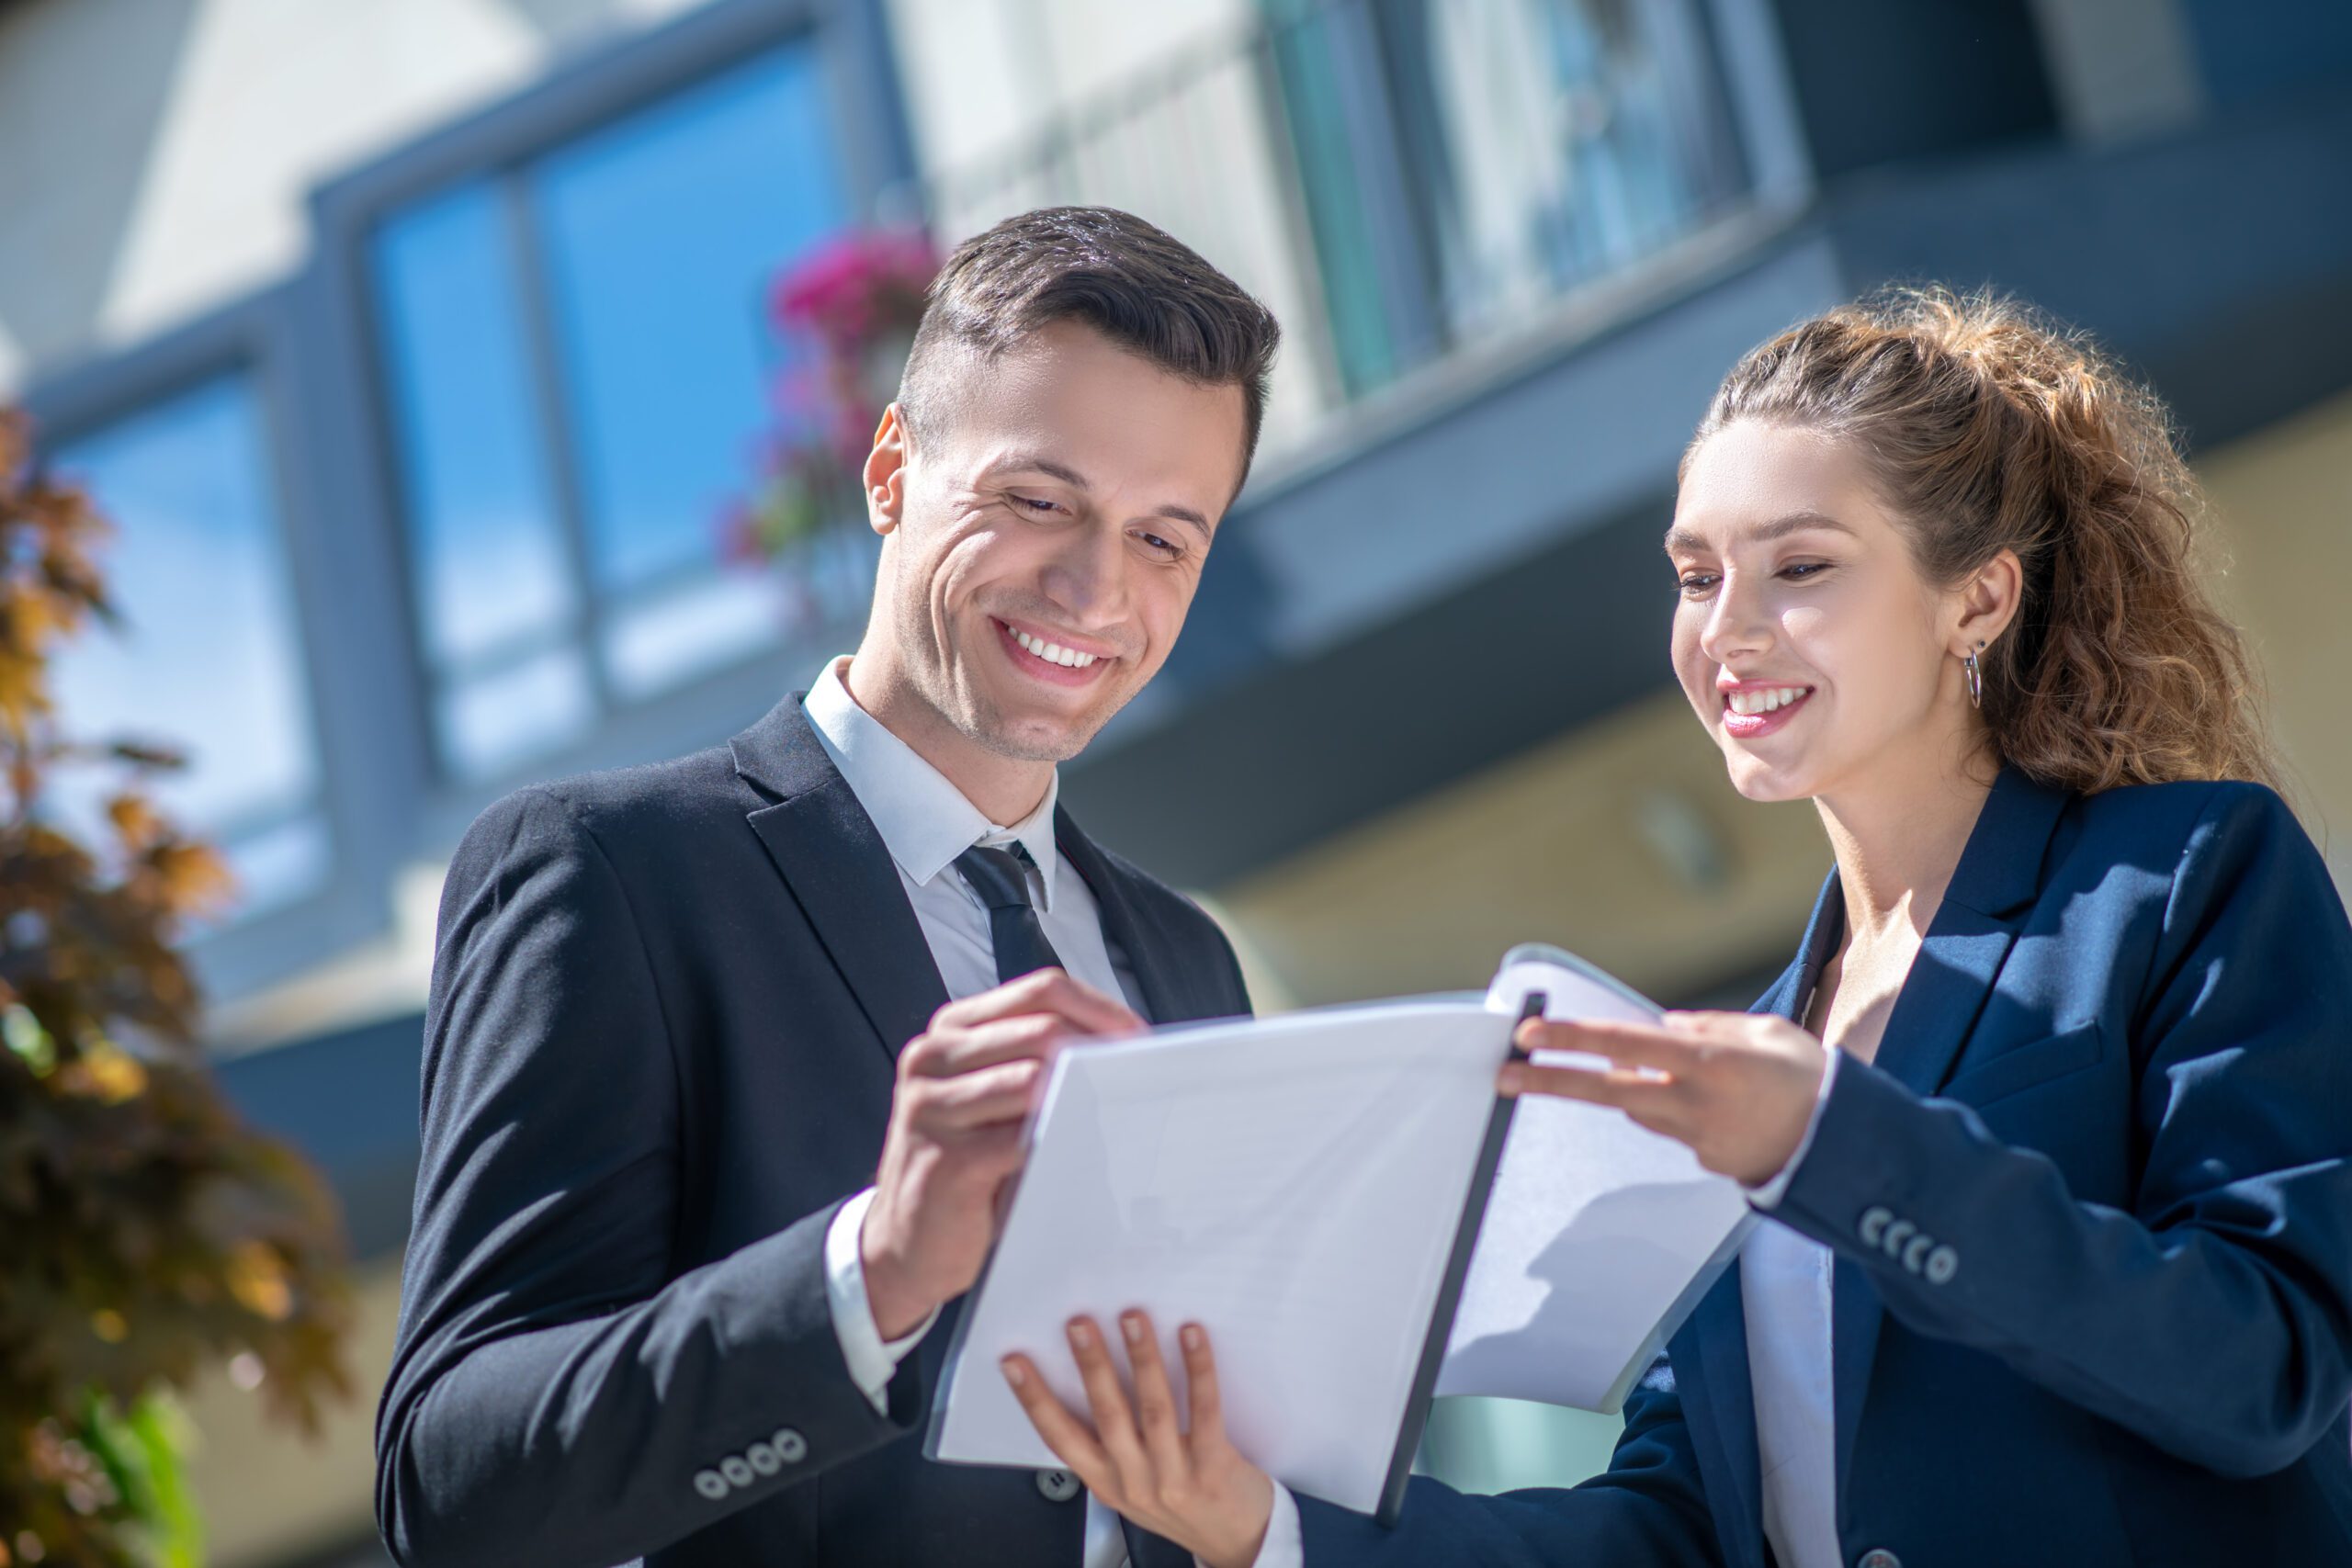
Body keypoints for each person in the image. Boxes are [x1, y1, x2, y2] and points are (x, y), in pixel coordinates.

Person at [1003, 288, 2352, 1568]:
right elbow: (1673, 1528)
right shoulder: (1749, 1051)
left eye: (1800, 568)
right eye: (1696, 575)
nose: (1730, 632)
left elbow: (2266, 1371)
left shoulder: (2182, 878)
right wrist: (1264, 1527)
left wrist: (1837, 1143)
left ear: (1978, 599)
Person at [374, 205, 1280, 1568]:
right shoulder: (606, 877)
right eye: (1039, 501)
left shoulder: (1187, 959)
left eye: (1166, 539)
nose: (1098, 589)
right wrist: (873, 1273)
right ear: (890, 470)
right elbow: (454, 1486)